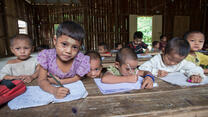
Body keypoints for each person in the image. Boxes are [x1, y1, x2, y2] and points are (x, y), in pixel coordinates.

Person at [37, 21, 90, 99]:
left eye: (74, 47)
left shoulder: (80, 60)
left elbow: (78, 77)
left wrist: (61, 82)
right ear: (55, 40)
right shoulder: (47, 57)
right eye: (64, 44)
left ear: (80, 47)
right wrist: (54, 90)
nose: (68, 51)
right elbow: (41, 80)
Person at [139, 37, 205, 83]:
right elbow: (141, 68)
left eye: (177, 61)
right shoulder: (157, 60)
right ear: (163, 51)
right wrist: (156, 72)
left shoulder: (182, 63)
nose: (173, 63)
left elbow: (195, 68)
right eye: (170, 59)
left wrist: (195, 75)